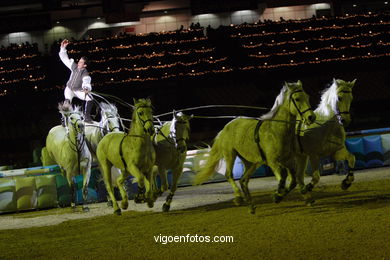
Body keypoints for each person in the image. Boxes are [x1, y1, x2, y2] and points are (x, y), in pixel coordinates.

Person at [59, 39, 93, 123]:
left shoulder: (85, 73)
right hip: (69, 89)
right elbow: (65, 59)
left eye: (81, 62)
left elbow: (86, 81)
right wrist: (63, 48)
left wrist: (86, 88)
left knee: (90, 98)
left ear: (84, 65)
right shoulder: (74, 66)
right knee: (67, 101)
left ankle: (86, 116)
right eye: (79, 61)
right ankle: (64, 118)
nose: (78, 63)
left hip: (78, 91)